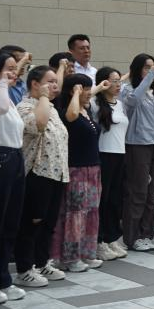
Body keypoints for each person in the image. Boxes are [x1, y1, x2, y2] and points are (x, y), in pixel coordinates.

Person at [13, 65, 69, 287]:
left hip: (56, 173)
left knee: (48, 222)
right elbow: (38, 125)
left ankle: (42, 261)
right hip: (36, 173)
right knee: (32, 222)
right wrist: (44, 98)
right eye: (50, 81)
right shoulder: (25, 106)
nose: (55, 86)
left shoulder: (51, 107)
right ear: (35, 84)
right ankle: (24, 268)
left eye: (56, 81)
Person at [50, 74, 107, 272]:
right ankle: (70, 258)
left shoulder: (86, 109)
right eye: (85, 89)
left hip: (93, 168)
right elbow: (71, 115)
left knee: (91, 213)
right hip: (76, 170)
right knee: (75, 214)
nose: (89, 93)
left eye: (90, 89)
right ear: (74, 90)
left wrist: (95, 88)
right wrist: (76, 92)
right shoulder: (68, 111)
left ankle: (87, 253)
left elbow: (88, 98)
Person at [0, 51, 27, 303]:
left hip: (16, 157)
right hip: (1, 158)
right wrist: (2, 83)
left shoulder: (8, 97)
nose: (14, 73)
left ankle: (3, 277)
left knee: (11, 223)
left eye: (15, 68)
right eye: (8, 68)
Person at [120, 54, 154, 252]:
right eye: (147, 68)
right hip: (138, 144)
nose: (151, 71)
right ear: (137, 69)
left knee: (152, 194)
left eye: (153, 68)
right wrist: (148, 78)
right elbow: (133, 102)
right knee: (138, 192)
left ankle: (146, 235)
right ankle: (132, 237)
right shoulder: (128, 90)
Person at [90, 67, 128, 260]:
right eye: (113, 81)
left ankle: (112, 238)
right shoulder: (95, 104)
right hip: (104, 155)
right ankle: (99, 242)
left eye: (119, 81)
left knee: (115, 200)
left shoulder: (120, 104)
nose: (117, 85)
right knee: (102, 200)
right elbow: (85, 97)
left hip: (120, 155)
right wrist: (98, 88)